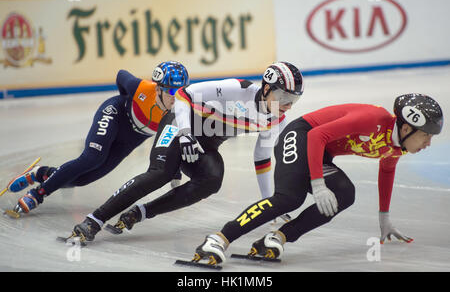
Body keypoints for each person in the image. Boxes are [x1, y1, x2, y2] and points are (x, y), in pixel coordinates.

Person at [64, 61, 304, 242]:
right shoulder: (235, 89)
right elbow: (182, 95)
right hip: (179, 124)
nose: (287, 105)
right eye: (283, 96)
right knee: (160, 173)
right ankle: (94, 220)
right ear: (266, 88)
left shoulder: (277, 121)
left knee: (212, 181)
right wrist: (186, 133)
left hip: (203, 146)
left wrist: (268, 203)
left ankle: (141, 212)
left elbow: (262, 159)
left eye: (293, 100)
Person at [193, 93, 444, 265]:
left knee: (345, 194)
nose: (428, 143)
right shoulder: (373, 119)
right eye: (426, 136)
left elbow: (387, 171)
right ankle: (219, 238)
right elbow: (317, 136)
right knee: (290, 198)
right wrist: (318, 184)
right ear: (406, 127)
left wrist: (384, 218)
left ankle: (277, 238)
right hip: (301, 134)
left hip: (320, 152)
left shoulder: (396, 147)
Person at [7, 61, 189, 216]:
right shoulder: (142, 89)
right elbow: (121, 75)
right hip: (116, 115)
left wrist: (175, 171)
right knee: (92, 157)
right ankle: (37, 194)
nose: (176, 98)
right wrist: (125, 101)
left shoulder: (181, 110)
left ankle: (40, 173)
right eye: (171, 93)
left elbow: (175, 140)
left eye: (180, 92)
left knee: (82, 179)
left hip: (129, 140)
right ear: (157, 89)